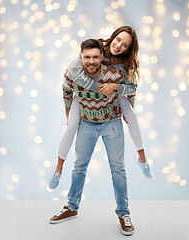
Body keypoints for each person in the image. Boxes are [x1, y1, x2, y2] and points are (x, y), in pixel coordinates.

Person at [48, 26, 153, 190]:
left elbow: (132, 88)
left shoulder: (125, 65)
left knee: (132, 115)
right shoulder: (95, 49)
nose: (119, 46)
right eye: (118, 39)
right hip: (83, 97)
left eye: (125, 45)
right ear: (114, 36)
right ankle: (58, 169)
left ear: (128, 49)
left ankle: (142, 159)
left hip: (112, 100)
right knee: (71, 127)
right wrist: (70, 108)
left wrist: (115, 88)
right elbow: (74, 72)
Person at [49, 39, 134, 236]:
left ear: (102, 57)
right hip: (86, 124)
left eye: (96, 57)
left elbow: (131, 88)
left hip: (111, 124)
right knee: (79, 166)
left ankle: (124, 213)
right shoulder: (73, 73)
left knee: (118, 169)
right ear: (81, 58)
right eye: (87, 57)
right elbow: (66, 91)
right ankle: (71, 206)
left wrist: (125, 100)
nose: (92, 61)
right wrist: (68, 112)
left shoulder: (115, 73)